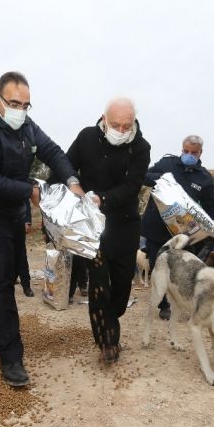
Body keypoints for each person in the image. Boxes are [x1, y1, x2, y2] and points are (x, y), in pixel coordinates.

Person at [0, 71, 83, 387]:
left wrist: (72, 180)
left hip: (11, 205)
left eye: (26, 104)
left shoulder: (25, 124)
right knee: (0, 279)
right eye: (14, 103)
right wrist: (30, 192)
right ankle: (11, 358)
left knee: (7, 270)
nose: (20, 110)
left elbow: (52, 151)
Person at [66, 97, 151, 364]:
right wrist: (70, 186)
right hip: (93, 227)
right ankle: (107, 341)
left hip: (124, 224)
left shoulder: (141, 147)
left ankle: (111, 320)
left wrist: (102, 198)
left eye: (127, 126)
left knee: (123, 285)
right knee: (99, 284)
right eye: (116, 125)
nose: (122, 131)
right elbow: (66, 166)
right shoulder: (87, 137)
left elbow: (132, 186)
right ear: (104, 119)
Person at [141, 135, 214, 320]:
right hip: (156, 227)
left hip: (182, 232)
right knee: (158, 265)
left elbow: (212, 206)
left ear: (200, 153)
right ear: (182, 149)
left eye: (193, 152)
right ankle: (163, 305)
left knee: (177, 269)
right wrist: (161, 178)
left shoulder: (204, 178)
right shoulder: (167, 164)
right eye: (185, 151)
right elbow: (144, 176)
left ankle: (177, 303)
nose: (188, 155)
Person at [15, 200, 34, 297]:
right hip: (2, 225)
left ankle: (26, 286)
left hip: (19, 223)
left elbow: (25, 202)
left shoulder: (19, 185)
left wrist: (27, 222)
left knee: (21, 257)